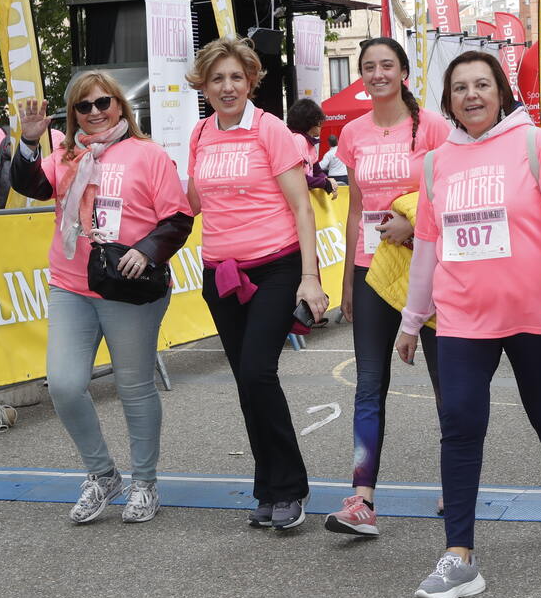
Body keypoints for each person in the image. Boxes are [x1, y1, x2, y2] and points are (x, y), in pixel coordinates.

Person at [394, 50, 541, 598]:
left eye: (482, 84)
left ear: (501, 91)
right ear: (448, 100)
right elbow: (428, 250)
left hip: (535, 313)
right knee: (458, 423)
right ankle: (459, 556)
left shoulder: (535, 145)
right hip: (460, 317)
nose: (471, 95)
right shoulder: (436, 164)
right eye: (460, 88)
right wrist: (412, 320)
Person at [12, 73, 194, 524]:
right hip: (71, 285)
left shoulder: (148, 154)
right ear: (72, 115)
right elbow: (31, 185)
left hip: (129, 288)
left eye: (103, 102)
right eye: (83, 106)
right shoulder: (66, 156)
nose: (94, 112)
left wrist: (145, 250)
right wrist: (29, 143)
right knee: (65, 385)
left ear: (119, 105)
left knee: (134, 388)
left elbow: (177, 219)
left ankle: (145, 483)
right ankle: (102, 475)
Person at [186, 37, 329, 531]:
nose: (227, 87)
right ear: (203, 85)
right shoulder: (200, 133)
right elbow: (193, 200)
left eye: (236, 77)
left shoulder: (270, 130)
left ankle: (290, 488)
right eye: (217, 78)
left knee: (257, 374)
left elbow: (301, 208)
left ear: (250, 81)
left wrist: (310, 278)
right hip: (221, 274)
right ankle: (267, 487)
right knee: (248, 385)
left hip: (276, 268)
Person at [324, 36, 451, 538]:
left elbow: (448, 194)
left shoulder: (434, 127)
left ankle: (455, 483)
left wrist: (413, 225)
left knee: (448, 385)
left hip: (426, 267)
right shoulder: (352, 134)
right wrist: (347, 281)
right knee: (369, 386)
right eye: (369, 67)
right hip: (371, 270)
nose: (378, 74)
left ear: (403, 73)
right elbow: (355, 209)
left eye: (386, 66)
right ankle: (362, 500)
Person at [285, 98, 337, 196]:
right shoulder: (299, 140)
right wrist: (325, 183)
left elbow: (317, 171)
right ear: (311, 122)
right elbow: (297, 177)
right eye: (319, 122)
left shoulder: (308, 142)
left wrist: (327, 180)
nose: (321, 126)